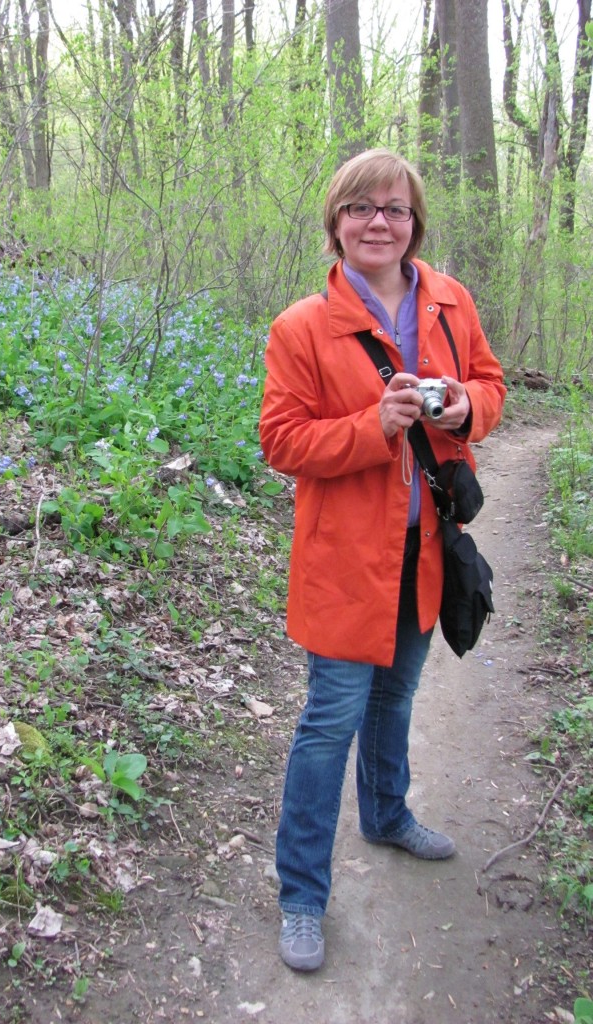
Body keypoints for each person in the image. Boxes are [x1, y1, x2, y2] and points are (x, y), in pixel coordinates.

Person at [258, 149, 506, 972]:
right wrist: (378, 426)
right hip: (340, 559)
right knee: (329, 724)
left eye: (394, 209)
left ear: (414, 225)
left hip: (423, 547)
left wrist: (470, 405)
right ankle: (301, 893)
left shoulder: (449, 303)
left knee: (396, 696)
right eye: (361, 208)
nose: (377, 222)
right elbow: (282, 441)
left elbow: (489, 383)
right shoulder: (302, 326)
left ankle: (388, 814)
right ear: (336, 224)